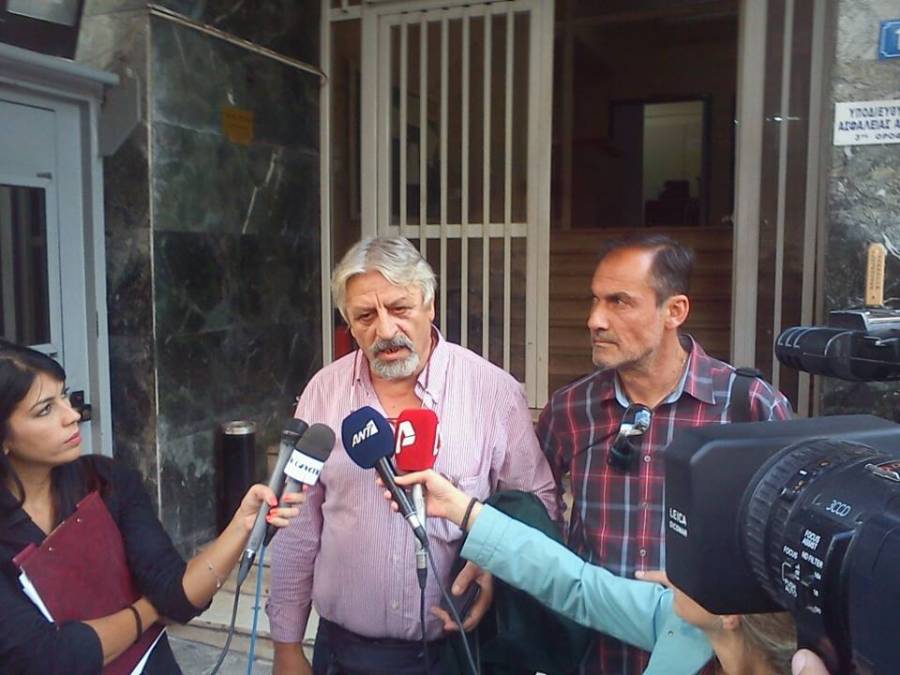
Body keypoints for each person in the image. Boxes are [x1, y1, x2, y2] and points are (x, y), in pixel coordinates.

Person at [267, 236, 559, 675]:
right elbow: (298, 526)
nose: (385, 331)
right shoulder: (323, 392)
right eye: (365, 316)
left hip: (455, 653)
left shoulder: (493, 392)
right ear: (349, 324)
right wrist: (286, 646)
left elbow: (538, 504)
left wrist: (494, 565)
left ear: (430, 306)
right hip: (343, 653)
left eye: (399, 308)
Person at [537, 233, 794, 674]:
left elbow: (785, 540)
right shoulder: (570, 409)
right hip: (596, 654)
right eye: (594, 300)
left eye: (619, 302)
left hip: (708, 658)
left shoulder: (746, 405)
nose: (595, 320)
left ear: (674, 310)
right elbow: (541, 508)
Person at [0, 340, 306, 674]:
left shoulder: (105, 481)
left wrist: (242, 524)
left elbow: (175, 594)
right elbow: (51, 658)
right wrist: (148, 610)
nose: (72, 415)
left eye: (64, 396)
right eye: (45, 410)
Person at [382, 469, 798, 675]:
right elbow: (574, 583)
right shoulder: (680, 621)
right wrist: (461, 509)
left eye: (690, 562)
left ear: (730, 611)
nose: (672, 569)